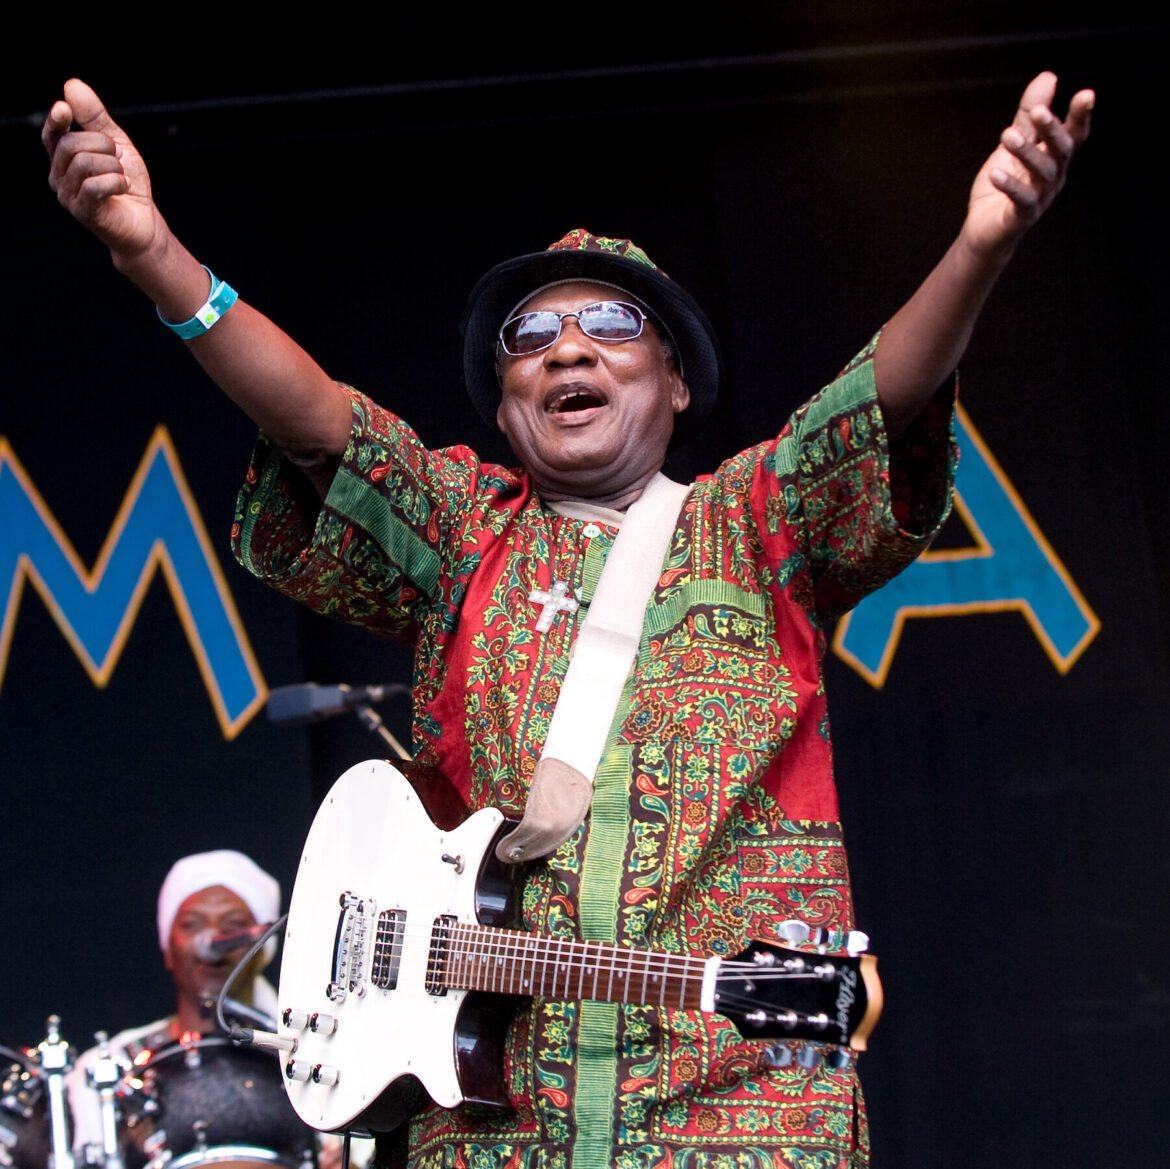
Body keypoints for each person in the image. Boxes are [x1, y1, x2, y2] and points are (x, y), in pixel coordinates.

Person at [44, 73, 1093, 1168]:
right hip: (496, 1124)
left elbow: (880, 399)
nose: (568, 347)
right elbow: (317, 424)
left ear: (675, 383)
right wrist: (155, 256)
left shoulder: (756, 521)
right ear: (506, 412)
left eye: (612, 324)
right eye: (530, 336)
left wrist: (982, 246)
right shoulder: (464, 532)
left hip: (736, 1111)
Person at [65, 850, 305, 1165]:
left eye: (233, 925)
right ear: (168, 949)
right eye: (192, 925)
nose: (211, 939)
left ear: (262, 948)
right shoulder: (109, 1066)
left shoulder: (312, 1055)